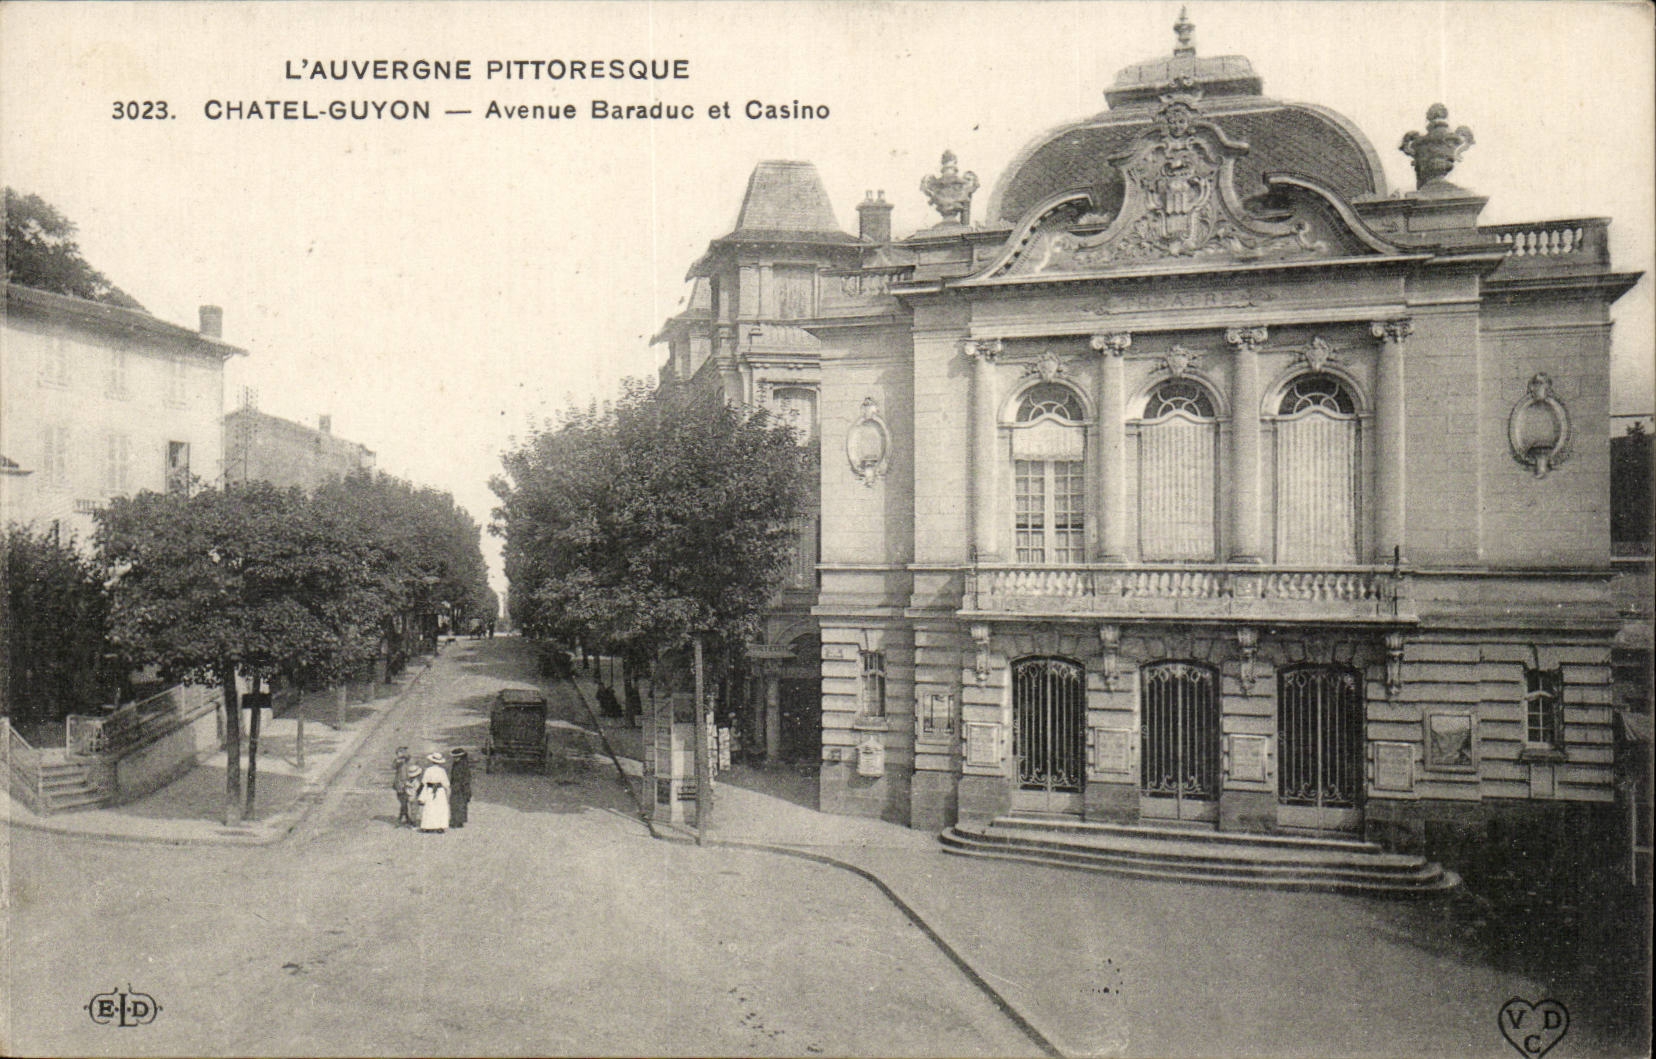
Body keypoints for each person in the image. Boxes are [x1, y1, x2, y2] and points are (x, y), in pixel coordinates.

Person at [418, 752, 451, 832]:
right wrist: (447, 791)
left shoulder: (428, 770)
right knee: (440, 808)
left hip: (430, 790)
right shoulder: (442, 771)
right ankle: (440, 826)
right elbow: (446, 783)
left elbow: (424, 781)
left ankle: (428, 826)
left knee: (430, 807)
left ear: (432, 761)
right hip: (439, 791)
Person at [449, 747, 472, 828]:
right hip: (455, 785)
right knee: (455, 803)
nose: (455, 759)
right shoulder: (456, 764)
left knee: (459, 804)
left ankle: (458, 821)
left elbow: (466, 778)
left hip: (461, 787)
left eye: (456, 757)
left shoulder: (464, 765)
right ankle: (456, 820)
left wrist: (466, 788)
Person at [392, 746, 412, 826]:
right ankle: (403, 818)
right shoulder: (397, 761)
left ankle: (404, 818)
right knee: (403, 801)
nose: (398, 754)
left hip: (406, 782)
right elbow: (393, 766)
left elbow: (408, 756)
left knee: (405, 801)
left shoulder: (406, 760)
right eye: (398, 753)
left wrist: (404, 755)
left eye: (400, 752)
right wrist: (399, 760)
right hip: (400, 783)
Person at [401, 761, 424, 826]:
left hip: (409, 796)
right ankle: (414, 823)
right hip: (414, 797)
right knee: (415, 810)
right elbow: (418, 790)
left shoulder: (408, 782)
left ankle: (412, 821)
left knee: (412, 809)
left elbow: (405, 788)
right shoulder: (416, 782)